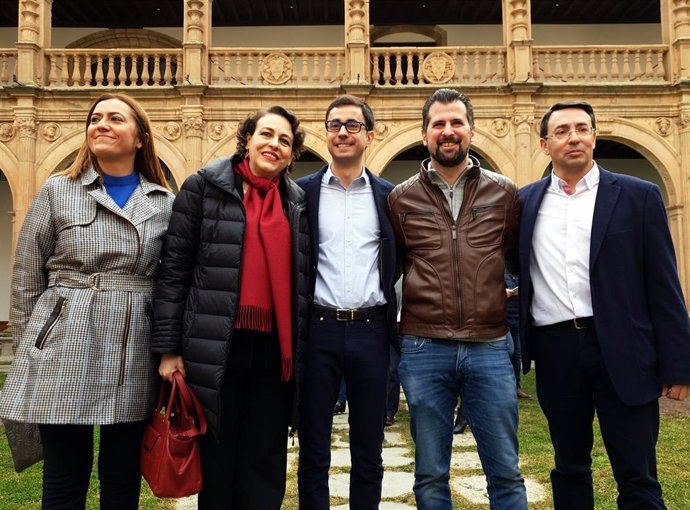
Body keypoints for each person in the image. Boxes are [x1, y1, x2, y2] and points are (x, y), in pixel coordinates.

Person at [0, 93, 174, 509]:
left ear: (140, 137)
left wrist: (168, 350)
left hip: (133, 343)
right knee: (65, 473)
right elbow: (26, 277)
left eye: (116, 118)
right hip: (65, 339)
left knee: (122, 473)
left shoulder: (164, 203)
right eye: (95, 118)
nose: (101, 124)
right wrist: (30, 347)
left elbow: (172, 282)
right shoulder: (57, 191)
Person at [519, 100, 690, 509]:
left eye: (582, 128)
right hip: (556, 350)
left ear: (594, 136)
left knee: (637, 473)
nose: (573, 137)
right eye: (561, 131)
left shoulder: (639, 196)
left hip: (625, 350)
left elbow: (664, 287)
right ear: (544, 144)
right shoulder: (524, 203)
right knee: (569, 467)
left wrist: (679, 365)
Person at [151, 106, 310, 510]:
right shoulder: (203, 187)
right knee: (218, 459)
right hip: (214, 346)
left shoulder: (295, 201)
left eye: (285, 141)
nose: (274, 144)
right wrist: (169, 350)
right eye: (267, 134)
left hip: (275, 351)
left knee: (265, 459)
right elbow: (174, 271)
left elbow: (301, 281)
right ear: (247, 138)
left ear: (292, 155)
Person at [388, 88, 527, 510]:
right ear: (425, 133)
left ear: (471, 128)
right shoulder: (401, 198)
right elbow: (393, 267)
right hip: (424, 345)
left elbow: (517, 258)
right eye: (438, 124)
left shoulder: (505, 194)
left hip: (489, 345)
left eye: (456, 123)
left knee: (504, 468)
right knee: (430, 474)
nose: (448, 132)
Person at [296, 94, 398, 509]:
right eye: (335, 124)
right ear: (326, 133)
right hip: (317, 329)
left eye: (352, 125)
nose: (342, 132)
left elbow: (402, 258)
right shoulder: (300, 195)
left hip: (372, 331)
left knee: (369, 450)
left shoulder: (390, 197)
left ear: (370, 135)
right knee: (314, 447)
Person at [505, 270, 531, 399]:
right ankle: (506, 386)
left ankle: (516, 387)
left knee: (517, 355)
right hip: (504, 319)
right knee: (509, 351)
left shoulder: (520, 274)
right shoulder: (501, 273)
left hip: (518, 318)